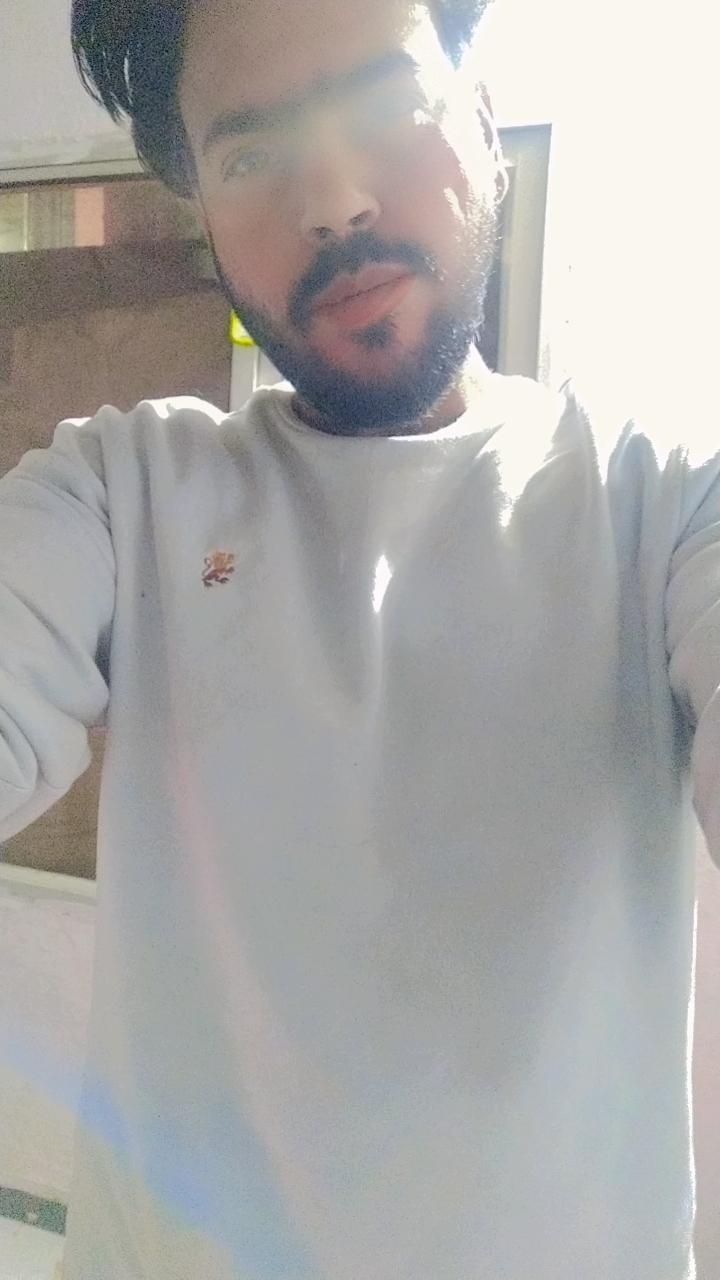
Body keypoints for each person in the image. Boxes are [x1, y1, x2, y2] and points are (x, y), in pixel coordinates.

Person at [1, 0, 714, 1275]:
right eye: (250, 153)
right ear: (202, 211)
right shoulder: (121, 492)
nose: (331, 202)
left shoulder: (662, 509)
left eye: (386, 104)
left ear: (483, 123)